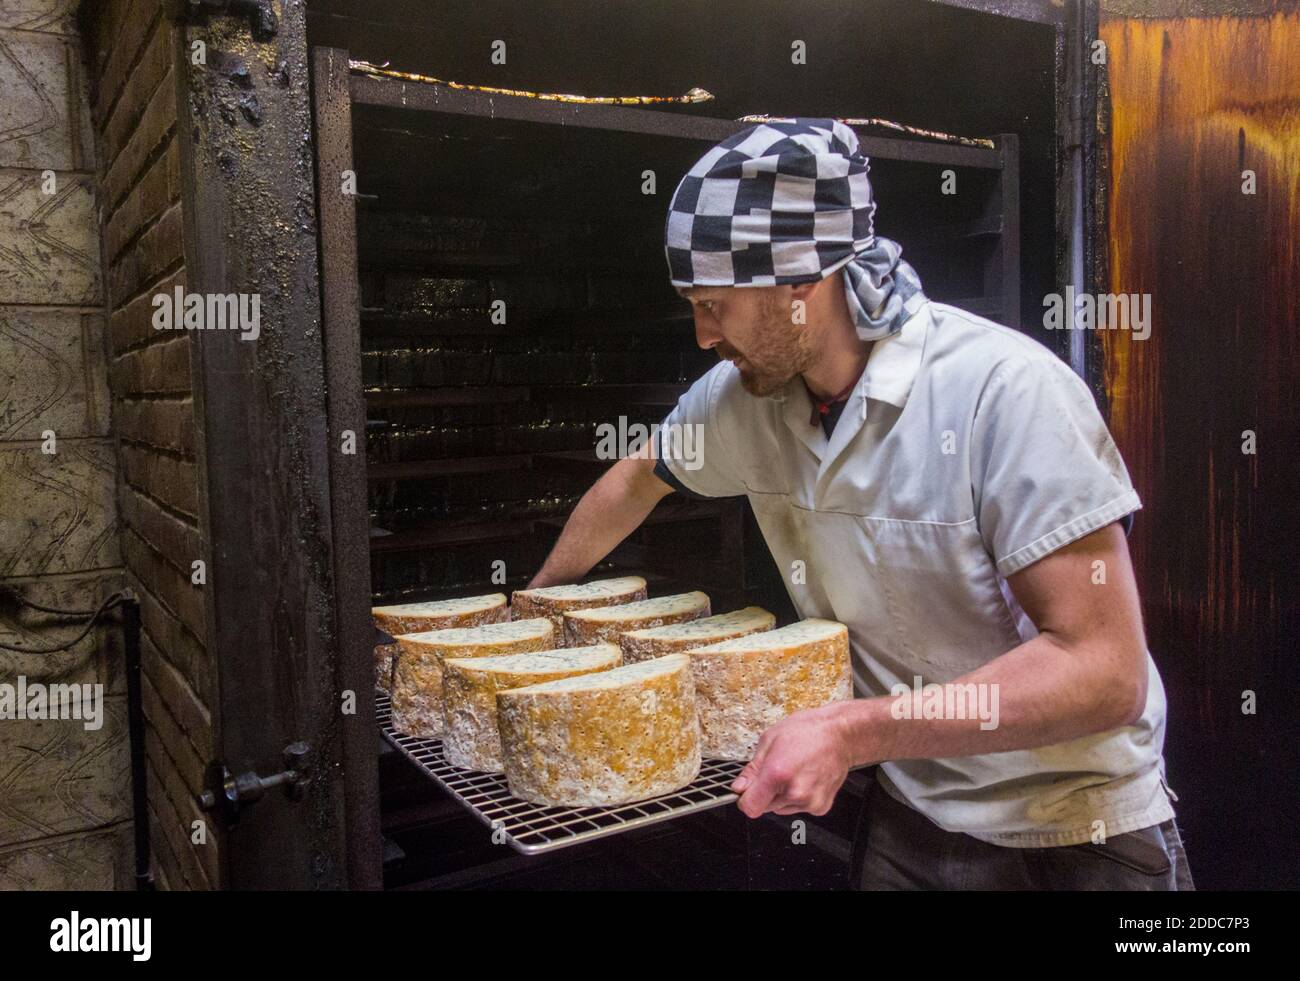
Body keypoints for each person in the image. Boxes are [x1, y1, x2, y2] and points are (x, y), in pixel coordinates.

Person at [526, 118, 1193, 890]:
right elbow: (638, 476)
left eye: (716, 304)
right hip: (912, 816)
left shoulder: (1002, 394)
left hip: (1077, 831)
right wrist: (539, 603)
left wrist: (850, 730)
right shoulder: (747, 400)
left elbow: (1105, 671)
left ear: (802, 281)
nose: (703, 335)